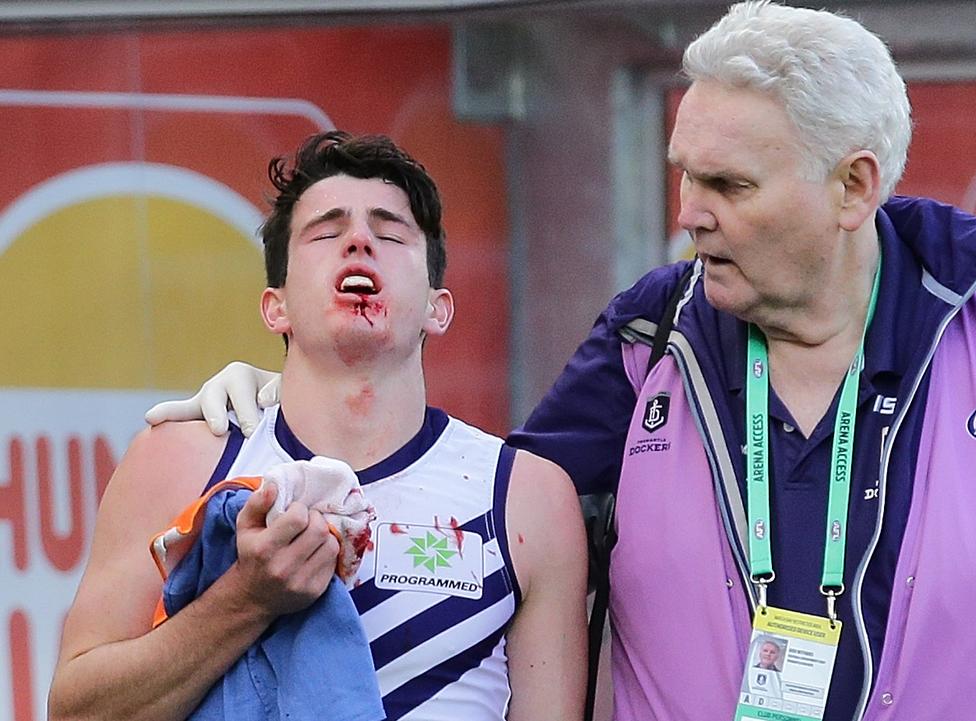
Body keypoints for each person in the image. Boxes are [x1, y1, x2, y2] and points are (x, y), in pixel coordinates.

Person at [146, 3, 976, 720]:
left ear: (854, 187)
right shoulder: (648, 342)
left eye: (729, 186)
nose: (685, 213)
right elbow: (486, 524)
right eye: (682, 173)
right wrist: (290, 424)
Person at [47, 131, 586, 721]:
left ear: (438, 307)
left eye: (390, 232)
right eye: (326, 232)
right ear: (274, 306)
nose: (358, 241)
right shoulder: (179, 459)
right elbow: (76, 713)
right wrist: (245, 601)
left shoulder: (526, 497)